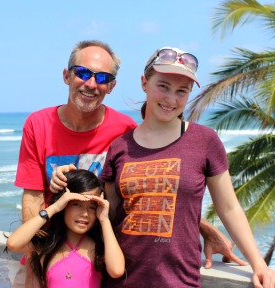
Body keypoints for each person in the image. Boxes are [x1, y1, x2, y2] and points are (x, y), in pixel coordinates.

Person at [15, 40, 245, 285]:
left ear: (112, 86)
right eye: (82, 73)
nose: (91, 84)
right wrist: (35, 260)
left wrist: (204, 229)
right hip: (49, 257)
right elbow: (32, 196)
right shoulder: (38, 124)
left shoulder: (124, 131)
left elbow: (145, 192)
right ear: (66, 76)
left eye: (102, 78)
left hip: (97, 261)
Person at [54, 46, 275, 288]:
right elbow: (107, 214)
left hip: (179, 282)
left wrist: (259, 265)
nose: (170, 99)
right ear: (145, 83)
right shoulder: (120, 146)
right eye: (163, 86)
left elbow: (229, 208)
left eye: (181, 91)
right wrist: (69, 181)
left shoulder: (205, 141)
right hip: (119, 281)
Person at [7, 169, 125, 288]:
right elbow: (13, 244)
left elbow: (116, 270)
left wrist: (104, 219)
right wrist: (54, 208)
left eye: (92, 207)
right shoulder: (47, 245)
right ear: (64, 204)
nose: (85, 213)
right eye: (77, 204)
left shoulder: (98, 246)